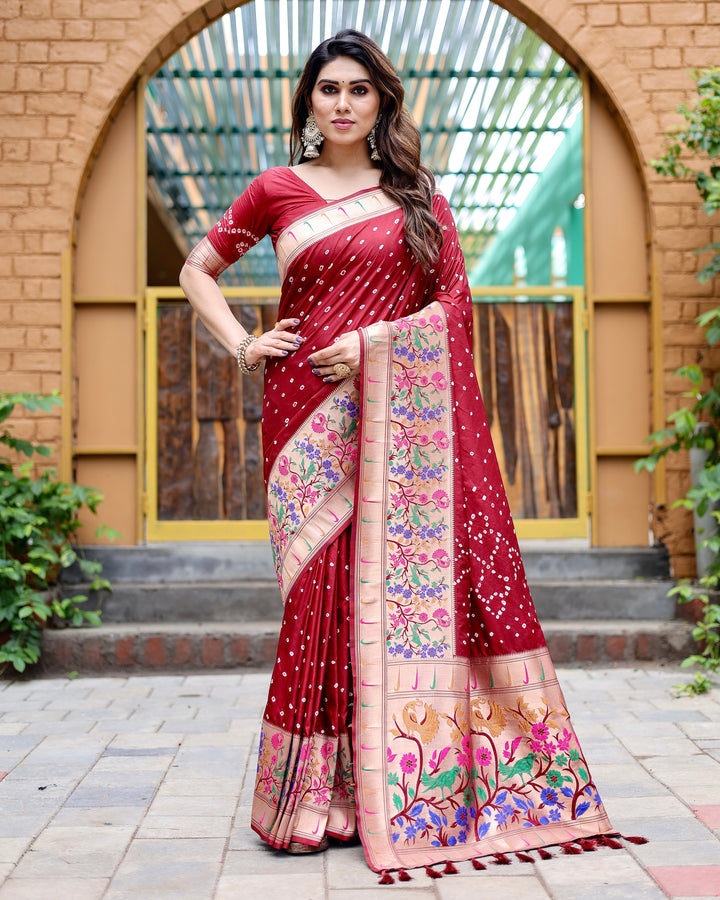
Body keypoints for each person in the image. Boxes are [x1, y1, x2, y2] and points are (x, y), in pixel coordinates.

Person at [180, 28, 631, 881]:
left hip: (396, 413)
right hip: (306, 408)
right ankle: (315, 796)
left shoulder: (417, 193)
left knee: (382, 591)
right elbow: (196, 267)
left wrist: (373, 345)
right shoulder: (277, 189)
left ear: (382, 100)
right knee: (318, 593)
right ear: (308, 101)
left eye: (359, 89)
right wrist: (244, 343)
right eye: (328, 90)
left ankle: (391, 783)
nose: (343, 103)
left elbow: (454, 308)